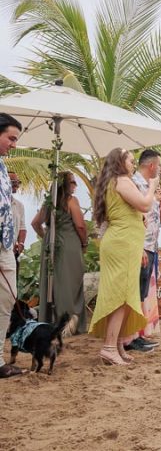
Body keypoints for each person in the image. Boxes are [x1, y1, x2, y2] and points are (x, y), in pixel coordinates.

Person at [89, 148, 157, 366]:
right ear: (120, 162)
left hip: (122, 243)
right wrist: (152, 187)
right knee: (121, 296)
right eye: (129, 159)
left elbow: (127, 211)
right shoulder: (122, 180)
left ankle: (117, 345)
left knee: (125, 295)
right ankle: (109, 347)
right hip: (122, 244)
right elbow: (145, 204)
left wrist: (139, 220)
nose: (133, 163)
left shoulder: (114, 183)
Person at [124, 149, 161, 352]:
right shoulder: (135, 185)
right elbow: (135, 216)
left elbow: (158, 218)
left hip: (151, 245)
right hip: (140, 245)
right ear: (152, 166)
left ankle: (136, 334)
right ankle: (129, 338)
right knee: (134, 292)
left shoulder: (149, 187)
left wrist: (160, 201)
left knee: (141, 293)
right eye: (159, 166)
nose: (160, 170)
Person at [31, 171, 88, 334]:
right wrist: (84, 243)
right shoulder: (71, 201)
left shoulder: (49, 203)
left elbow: (35, 223)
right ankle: (69, 324)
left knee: (54, 283)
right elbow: (81, 226)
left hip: (51, 246)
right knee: (71, 284)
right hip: (69, 245)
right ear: (65, 184)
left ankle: (52, 321)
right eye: (73, 182)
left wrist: (47, 238)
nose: (75, 185)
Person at [0, 113, 23, 379]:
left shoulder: (4, 168)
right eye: (11, 138)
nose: (14, 144)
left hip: (5, 244)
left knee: (7, 299)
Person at [9, 172, 25, 274]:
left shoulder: (19, 205)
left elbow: (22, 227)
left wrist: (21, 243)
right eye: (13, 182)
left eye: (18, 182)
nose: (17, 185)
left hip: (12, 253)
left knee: (11, 286)